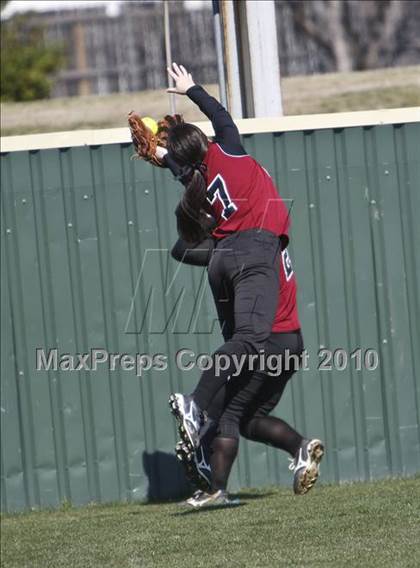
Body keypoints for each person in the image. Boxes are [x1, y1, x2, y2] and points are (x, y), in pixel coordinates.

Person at [158, 63, 323, 498]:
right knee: (246, 352)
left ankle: (215, 472)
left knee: (237, 409)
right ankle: (197, 415)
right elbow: (222, 119)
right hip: (254, 261)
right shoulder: (225, 152)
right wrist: (191, 88)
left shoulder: (197, 179)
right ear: (205, 144)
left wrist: (160, 156)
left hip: (224, 259)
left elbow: (183, 172)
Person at [171, 237, 324, 508]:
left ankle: (215, 491)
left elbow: (181, 250)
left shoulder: (248, 244)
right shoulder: (268, 241)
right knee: (250, 418)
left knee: (227, 410)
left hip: (267, 340)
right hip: (291, 340)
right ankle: (300, 446)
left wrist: (202, 225)